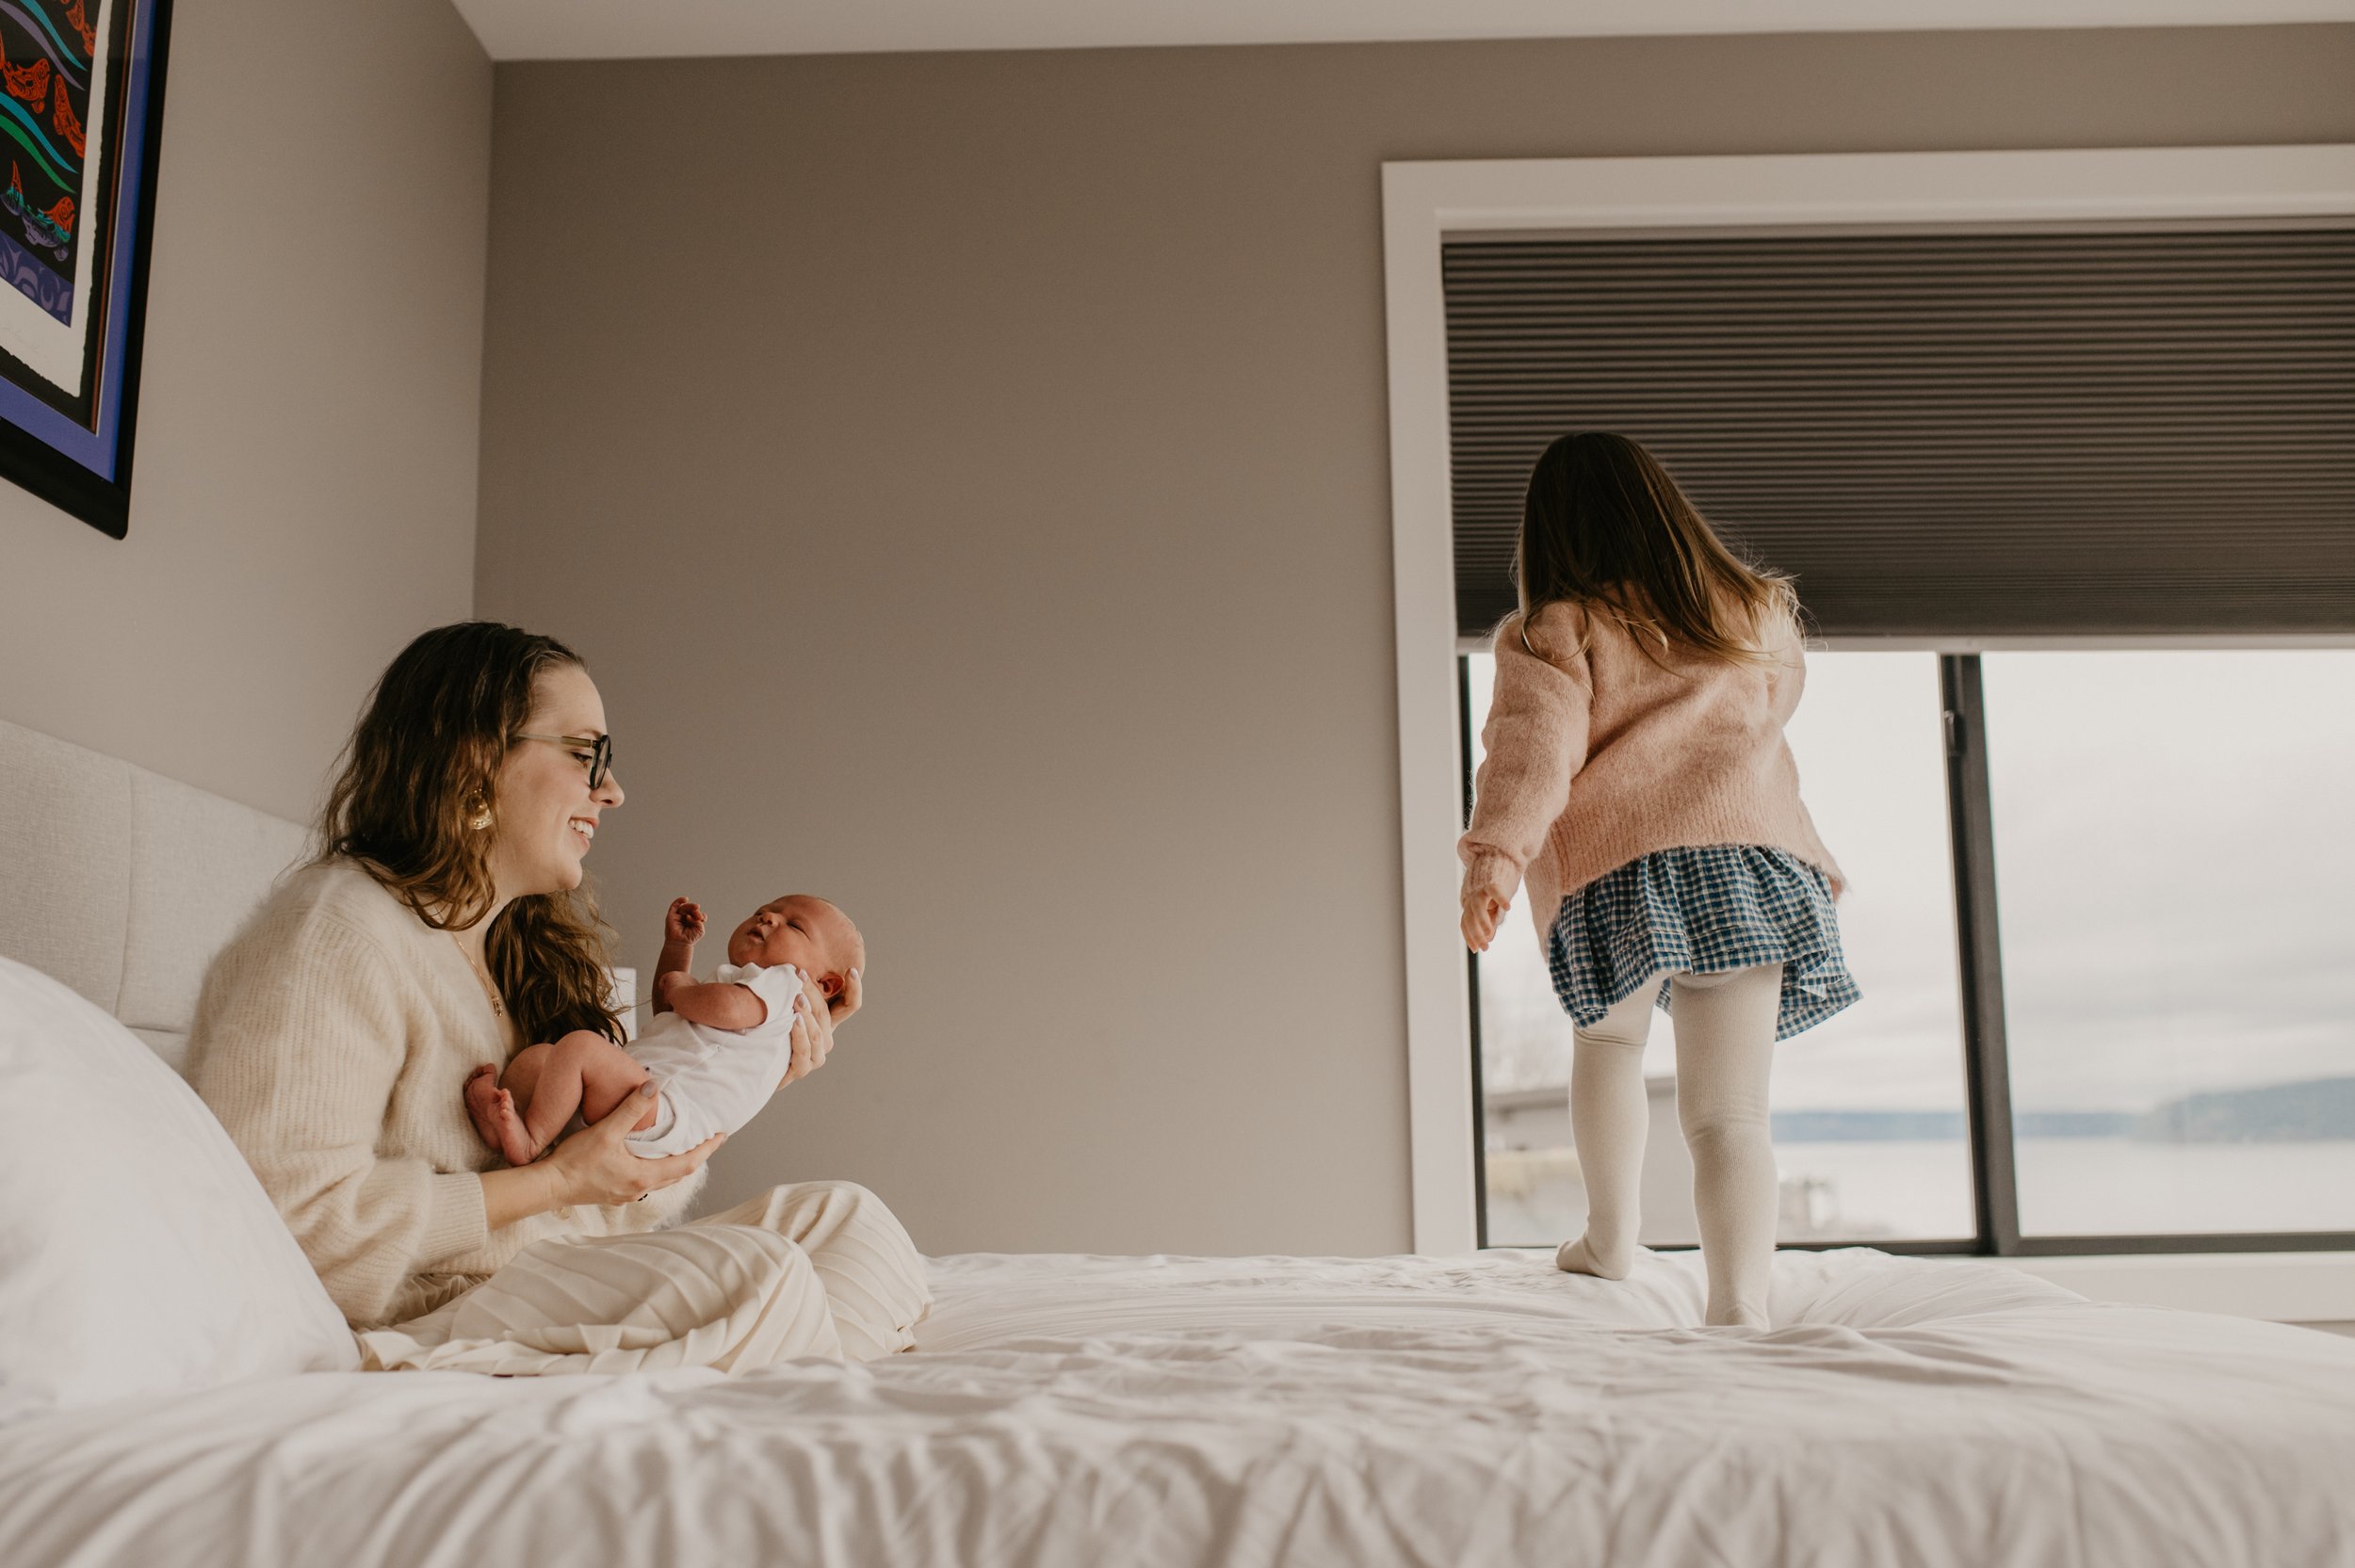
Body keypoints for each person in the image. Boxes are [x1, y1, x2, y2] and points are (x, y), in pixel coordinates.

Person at [186, 622, 928, 1366]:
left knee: (850, 1221)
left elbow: (613, 1192)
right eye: (584, 754)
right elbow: (291, 1220)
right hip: (439, 1306)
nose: (612, 789)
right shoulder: (338, 932)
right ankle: (799, 1373)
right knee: (762, 1279)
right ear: (477, 756)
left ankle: (798, 1370)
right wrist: (553, 1181)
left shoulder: (519, 949)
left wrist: (750, 1070)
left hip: (550, 1264)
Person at [1459, 433, 1857, 1329]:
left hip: (1624, 869)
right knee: (1733, 1118)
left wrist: (1496, 859)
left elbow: (1532, 756)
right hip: (1750, 869)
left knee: (1610, 1050)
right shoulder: (1756, 610)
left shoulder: (1558, 625)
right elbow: (1772, 709)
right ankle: (1739, 1305)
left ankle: (1611, 1238)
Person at [463, 892, 864, 1167]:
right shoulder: (751, 990)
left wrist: (685, 987)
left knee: (580, 1048)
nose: (769, 917)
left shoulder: (788, 983)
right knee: (542, 1060)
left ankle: (529, 1141)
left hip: (668, 1111)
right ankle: (505, 1125)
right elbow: (668, 1017)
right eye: (766, 909)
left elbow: (716, 1004)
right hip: (650, 1103)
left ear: (825, 985)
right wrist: (678, 952)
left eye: (795, 926)